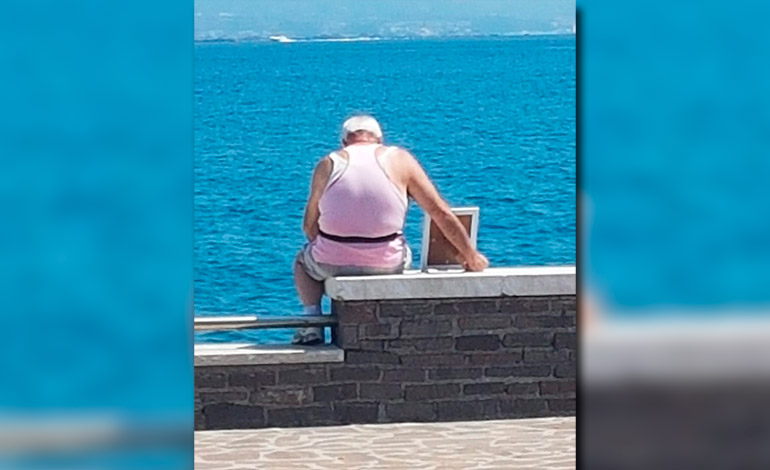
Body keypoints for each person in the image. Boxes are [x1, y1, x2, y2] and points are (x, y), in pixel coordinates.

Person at [292, 115, 489, 345]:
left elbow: (309, 226)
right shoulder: (399, 160)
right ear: (380, 140)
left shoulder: (328, 163)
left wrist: (335, 245)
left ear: (344, 142)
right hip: (387, 263)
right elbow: (440, 213)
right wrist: (470, 256)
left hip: (331, 261)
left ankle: (311, 322)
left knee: (302, 264)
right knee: (403, 247)